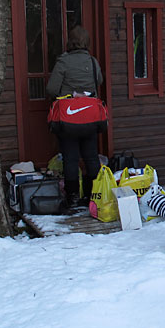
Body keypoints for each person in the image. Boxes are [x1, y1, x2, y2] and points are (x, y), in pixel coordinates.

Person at [46, 25, 104, 207]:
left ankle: (72, 197)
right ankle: (93, 195)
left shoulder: (63, 62)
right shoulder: (93, 62)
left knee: (70, 158)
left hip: (68, 118)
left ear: (70, 41)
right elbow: (99, 81)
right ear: (87, 42)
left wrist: (69, 93)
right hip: (90, 117)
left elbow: (51, 89)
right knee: (91, 157)